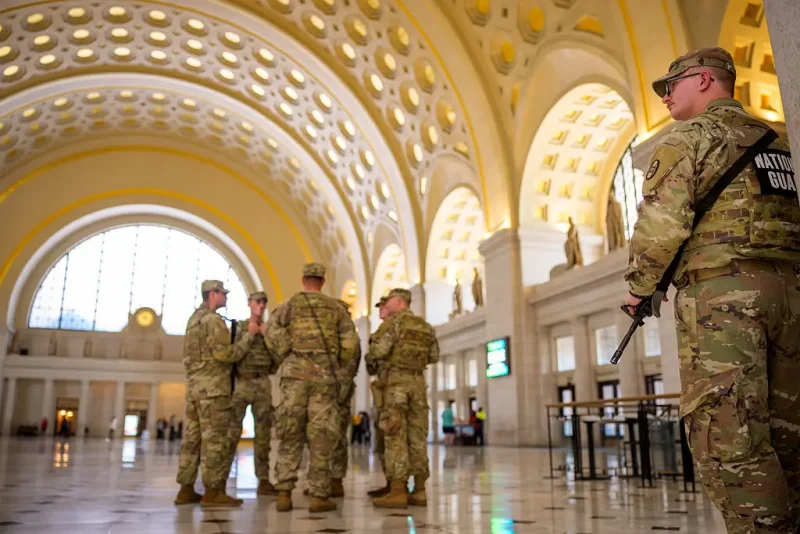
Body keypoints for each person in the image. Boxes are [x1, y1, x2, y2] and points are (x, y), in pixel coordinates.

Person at [624, 47, 800, 534]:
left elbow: (661, 226)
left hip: (723, 300)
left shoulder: (690, 138)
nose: (664, 97)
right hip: (789, 292)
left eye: (671, 85)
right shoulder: (777, 140)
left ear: (703, 80)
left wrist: (640, 289)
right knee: (787, 431)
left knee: (727, 437)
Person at [266, 263, 360, 513]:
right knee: (321, 435)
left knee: (290, 431)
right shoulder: (335, 308)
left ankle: (284, 493)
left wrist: (287, 350)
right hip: (323, 379)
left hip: (294, 377)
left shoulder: (291, 303)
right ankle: (318, 495)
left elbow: (272, 328)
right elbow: (350, 343)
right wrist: (338, 369)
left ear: (303, 279)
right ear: (323, 281)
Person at [174, 280, 259, 508]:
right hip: (213, 390)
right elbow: (226, 354)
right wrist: (249, 336)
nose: (226, 297)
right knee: (215, 441)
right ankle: (213, 491)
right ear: (213, 294)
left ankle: (185, 488)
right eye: (223, 293)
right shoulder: (213, 320)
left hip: (194, 389)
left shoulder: (194, 320)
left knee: (192, 440)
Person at [366, 288, 440, 509]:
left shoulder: (393, 324)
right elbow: (434, 356)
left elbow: (378, 351)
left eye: (388, 301)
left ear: (399, 302)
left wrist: (371, 348)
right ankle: (419, 490)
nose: (385, 305)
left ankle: (398, 490)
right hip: (418, 385)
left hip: (396, 384)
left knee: (395, 434)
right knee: (417, 438)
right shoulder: (425, 327)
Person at [230, 291, 279, 496]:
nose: (261, 306)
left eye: (264, 302)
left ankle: (264, 479)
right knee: (231, 432)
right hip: (243, 382)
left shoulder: (270, 331)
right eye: (258, 302)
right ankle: (220, 481)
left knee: (263, 435)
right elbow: (233, 355)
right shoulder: (240, 328)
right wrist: (250, 334)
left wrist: (267, 337)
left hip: (262, 383)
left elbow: (278, 359)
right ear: (249, 304)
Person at [366, 296, 391, 498]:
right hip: (382, 391)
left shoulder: (396, 330)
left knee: (395, 438)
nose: (380, 309)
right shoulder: (377, 334)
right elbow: (370, 366)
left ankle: (399, 485)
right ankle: (391, 482)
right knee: (382, 438)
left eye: (383, 306)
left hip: (394, 390)